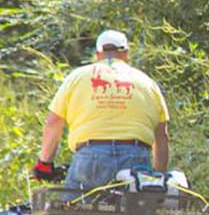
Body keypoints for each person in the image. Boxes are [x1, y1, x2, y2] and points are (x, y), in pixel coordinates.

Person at [32, 29, 170, 190]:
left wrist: (44, 164)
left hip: (90, 157)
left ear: (97, 55)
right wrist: (158, 179)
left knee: (73, 211)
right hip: (136, 158)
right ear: (126, 54)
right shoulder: (147, 82)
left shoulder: (77, 77)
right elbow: (162, 137)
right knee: (135, 213)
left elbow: (53, 123)